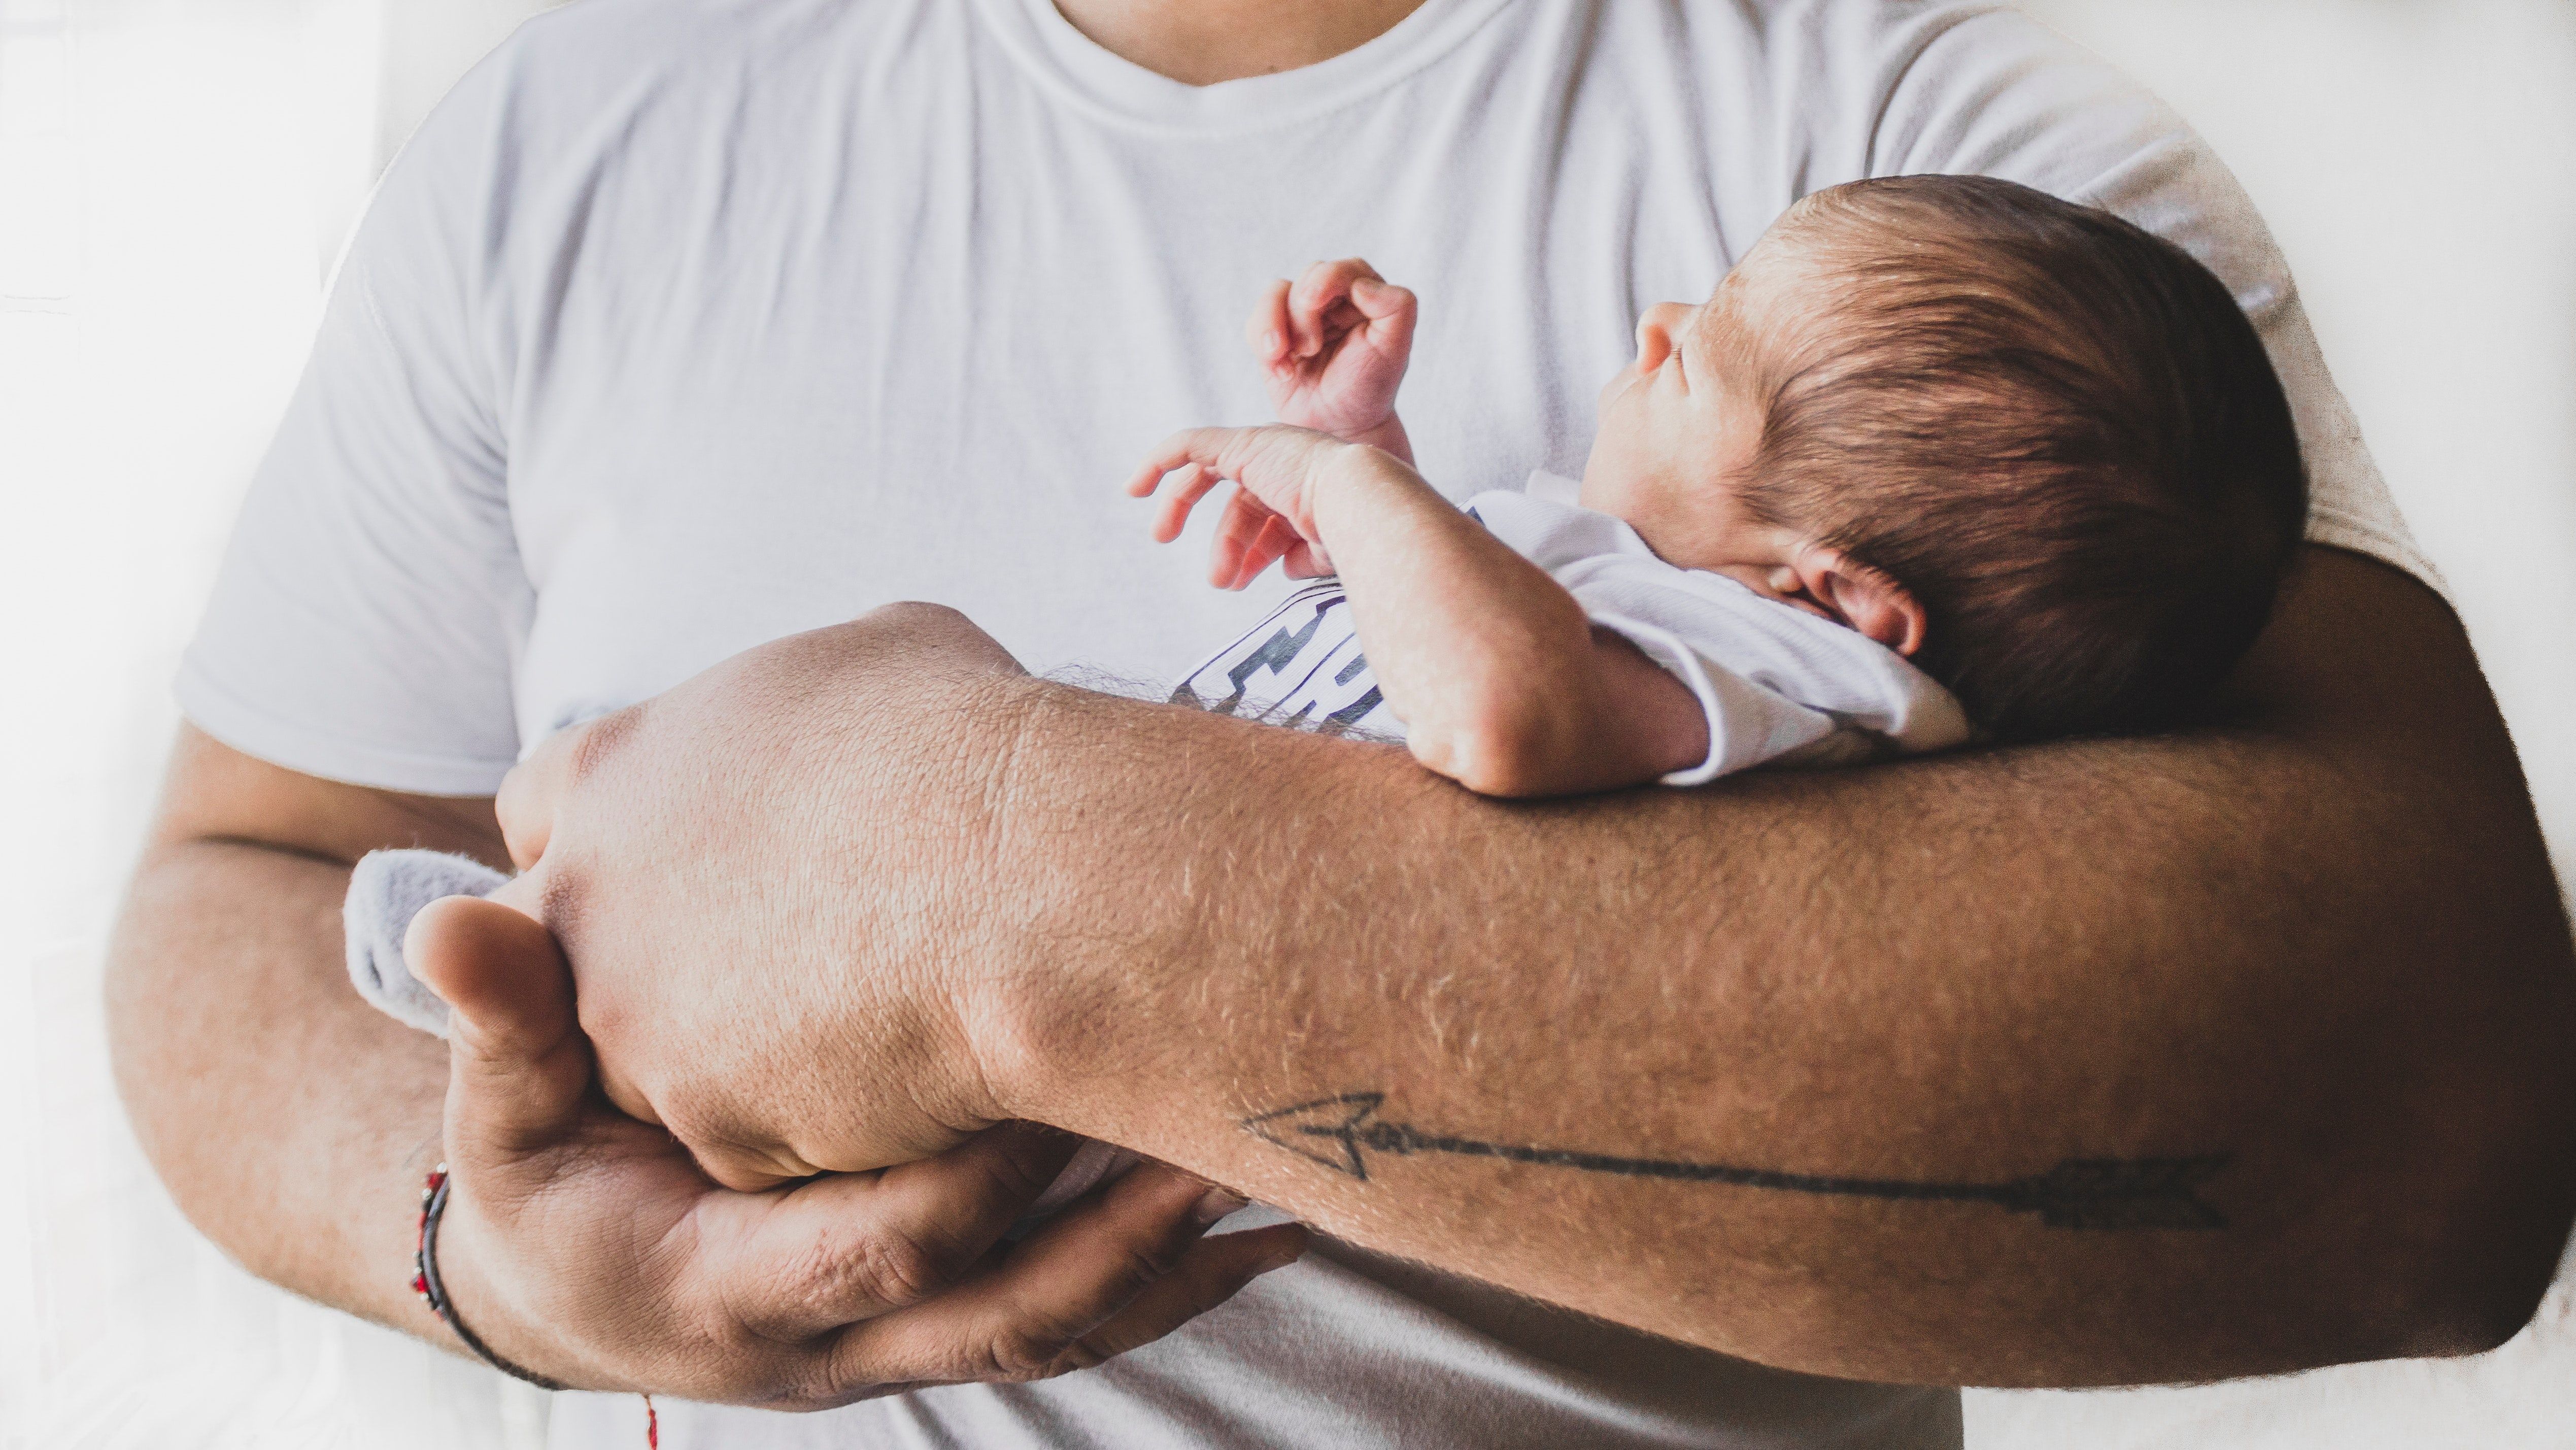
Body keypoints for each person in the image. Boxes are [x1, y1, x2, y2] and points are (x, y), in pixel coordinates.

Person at [107, 2, 2576, 1448]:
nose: (1648, 361)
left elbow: (2431, 1120)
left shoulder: (1953, 218)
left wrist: (979, 872)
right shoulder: (573, 130)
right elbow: (245, 864)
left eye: (1681, 364)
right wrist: (488, 1252)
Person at [1131, 176, 2303, 798]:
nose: (1658, 324)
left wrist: (1338, 485)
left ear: (1830, 594)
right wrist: (1371, 447)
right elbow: (1424, 641)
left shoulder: (1801, 678)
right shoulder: (1673, 605)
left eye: (1695, 363)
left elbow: (1493, 713)